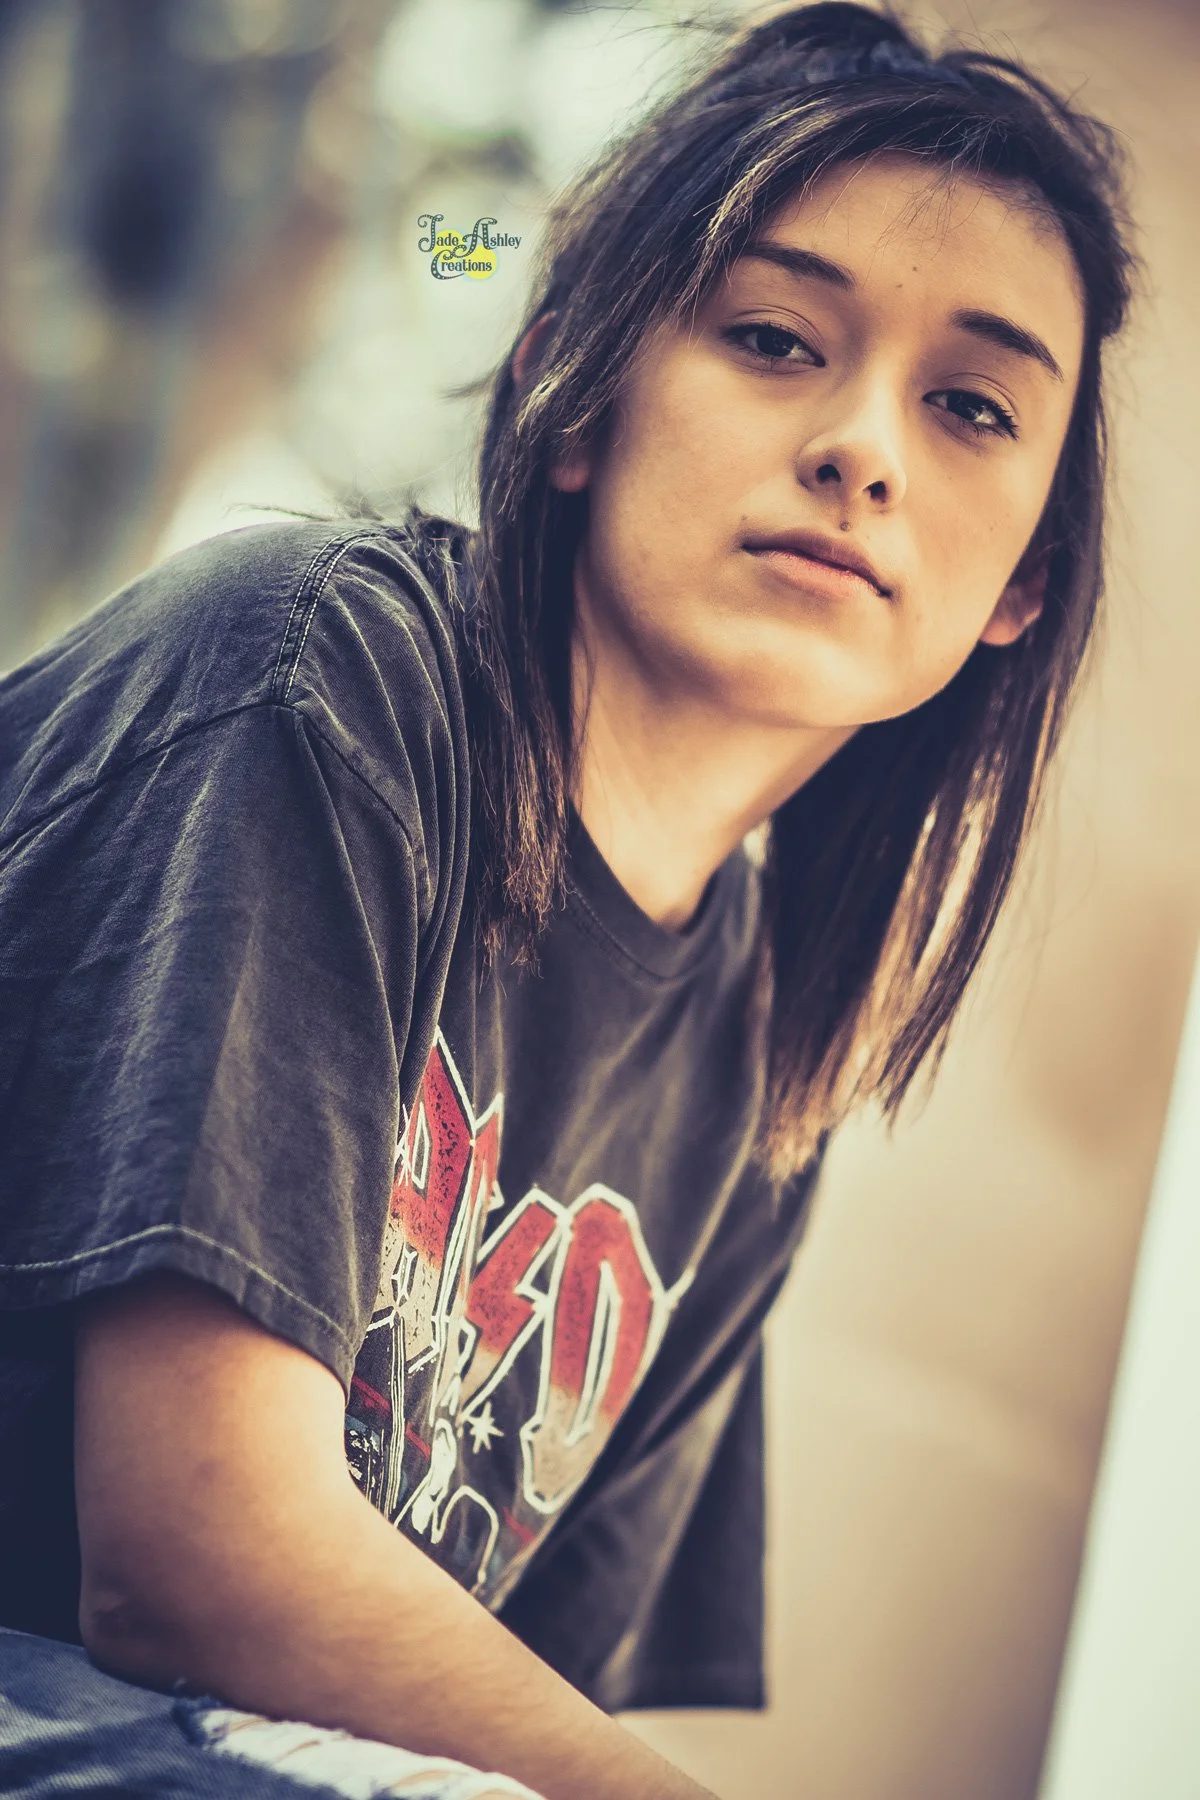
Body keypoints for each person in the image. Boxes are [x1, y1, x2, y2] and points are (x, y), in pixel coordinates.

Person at [0, 5, 1135, 1797]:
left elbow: (496, 1697)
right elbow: (196, 1555)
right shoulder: (324, 679)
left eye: (972, 406)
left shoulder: (761, 1066)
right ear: (574, 397)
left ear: (1019, 589)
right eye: (772, 339)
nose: (863, 449)